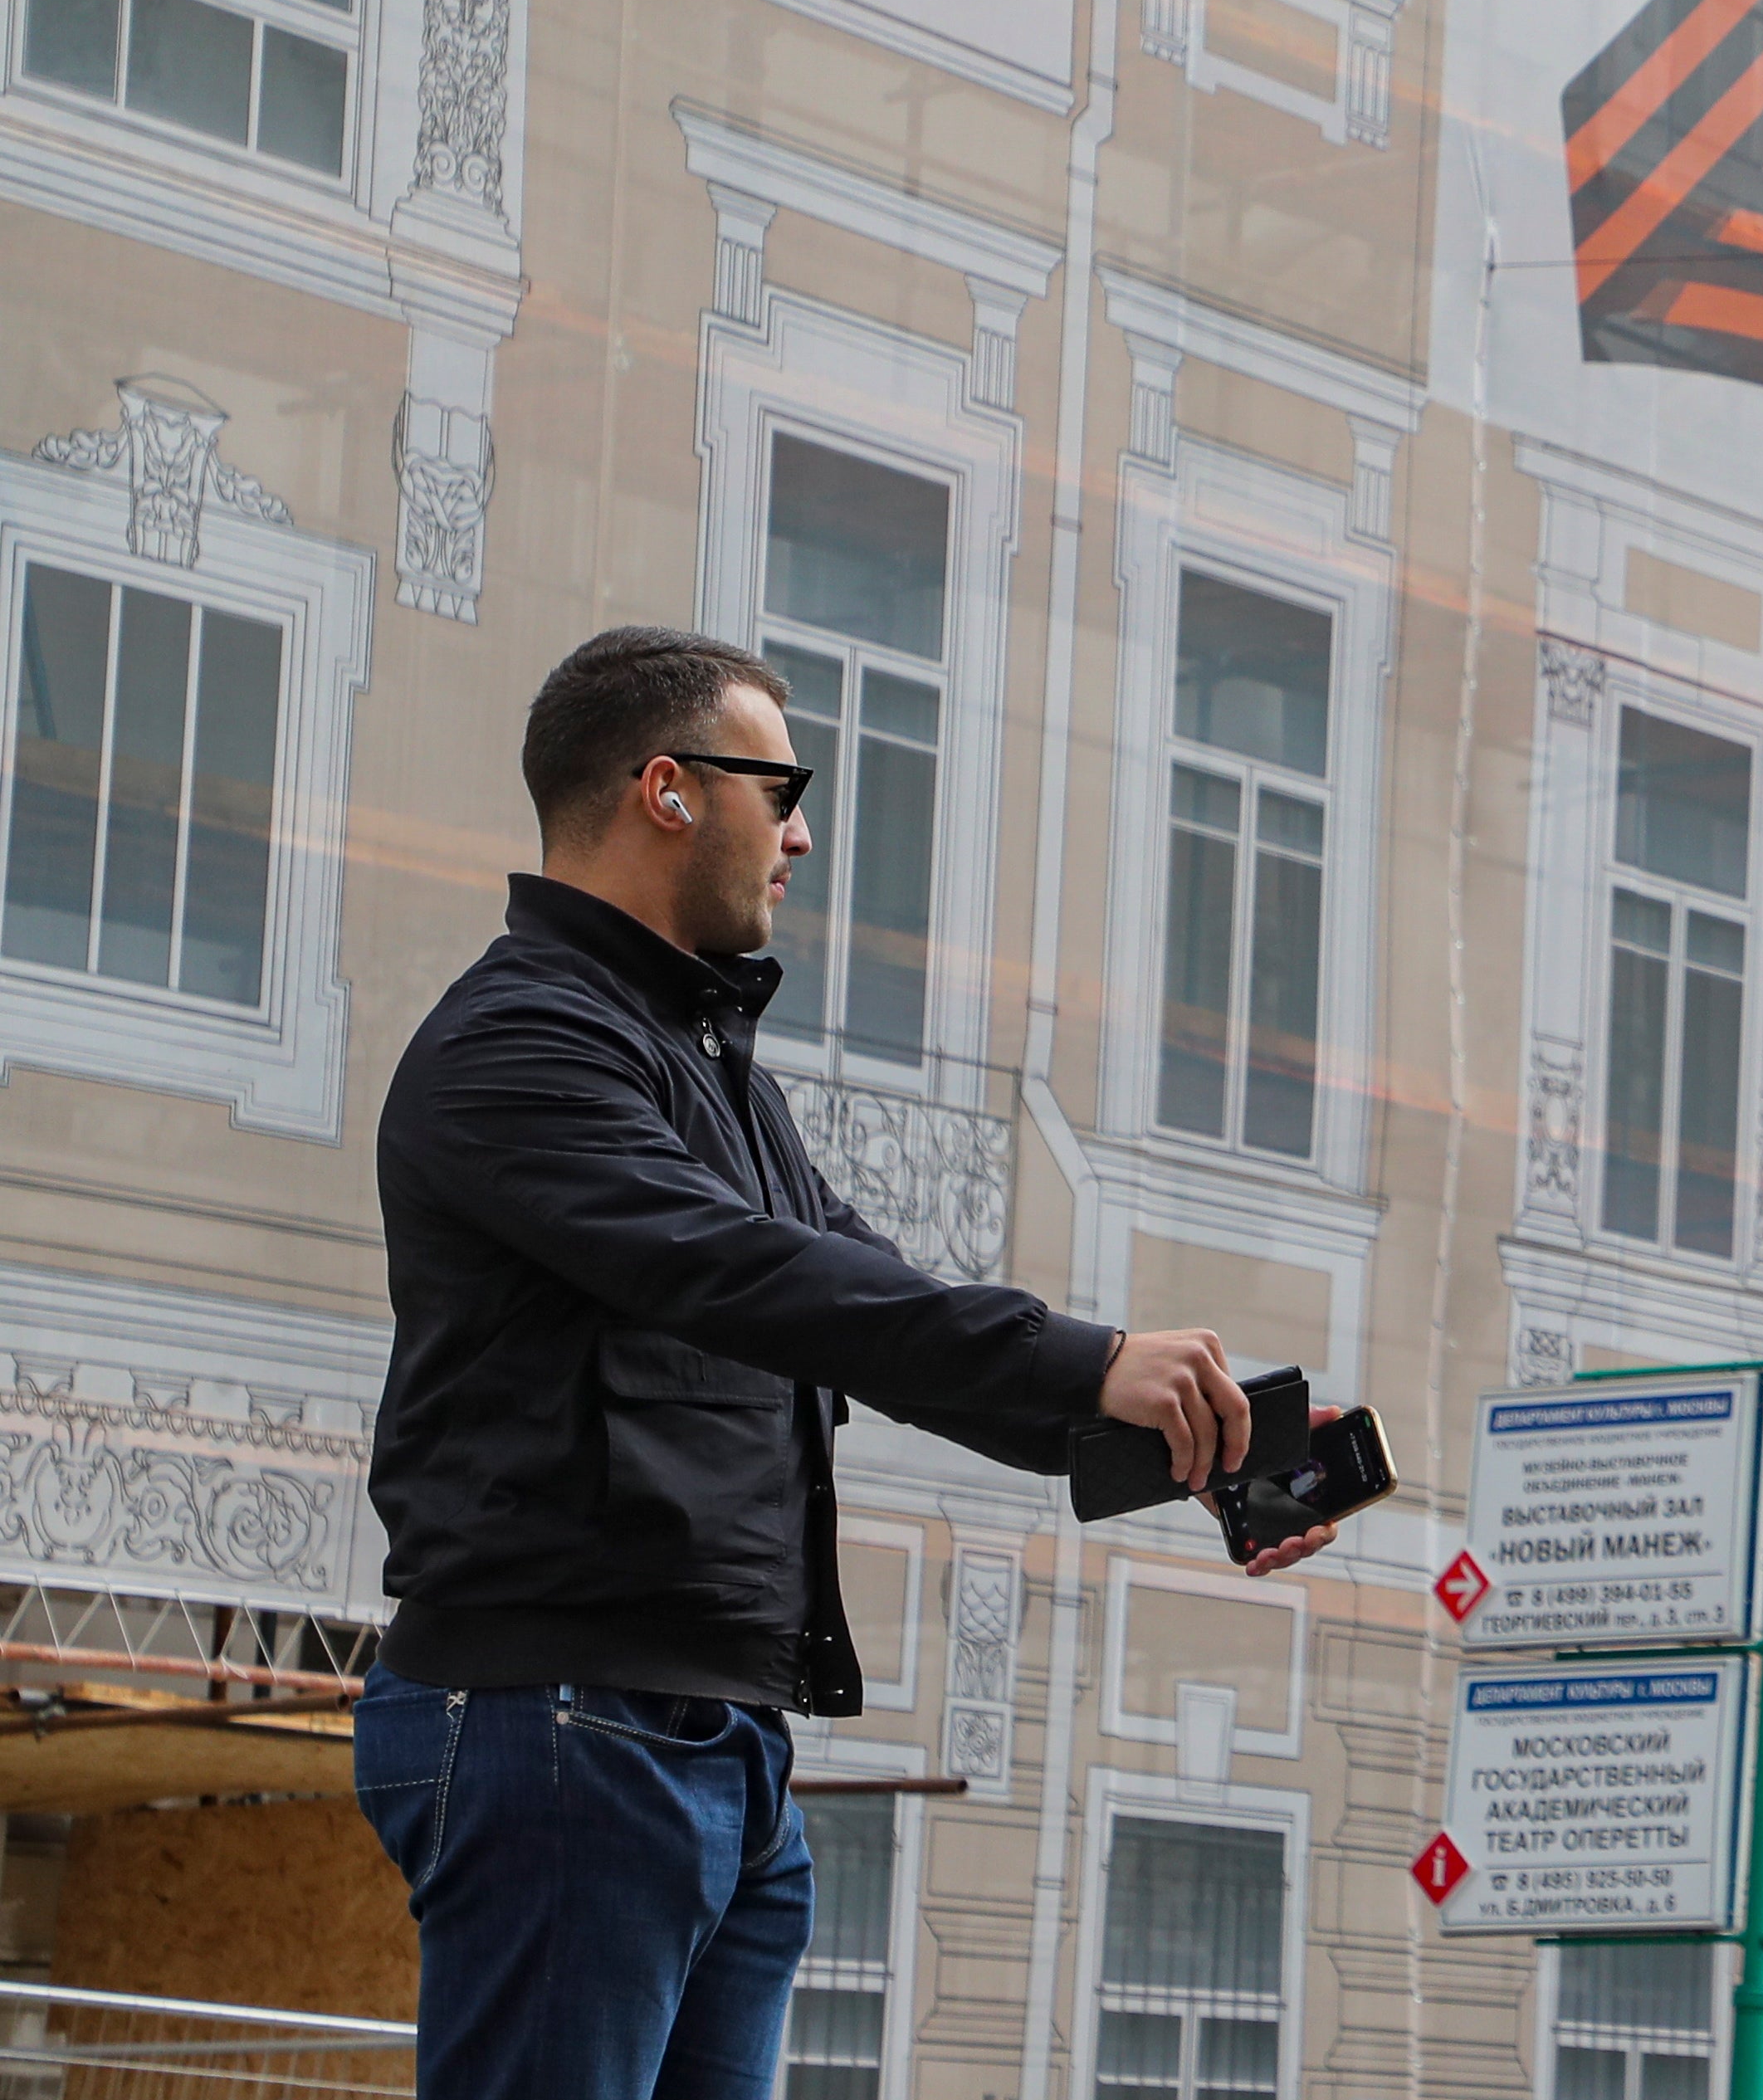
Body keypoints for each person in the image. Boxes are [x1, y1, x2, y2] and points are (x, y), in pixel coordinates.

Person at [359, 627, 1337, 2098]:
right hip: (568, 1721)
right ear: (669, 789)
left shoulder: (693, 1059)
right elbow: (757, 1278)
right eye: (784, 787)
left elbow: (877, 1307)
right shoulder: (522, 1046)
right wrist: (1093, 1360)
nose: (803, 831)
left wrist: (1174, 1443)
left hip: (710, 1741)